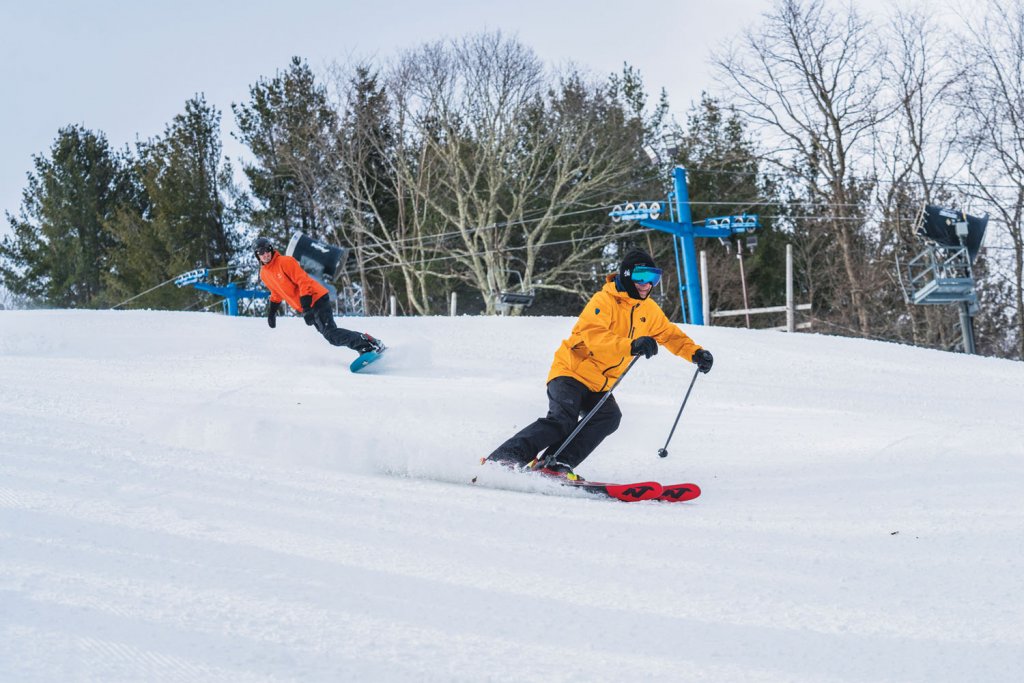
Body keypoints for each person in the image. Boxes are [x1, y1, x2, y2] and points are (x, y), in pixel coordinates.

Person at [485, 248, 713, 479]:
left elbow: (669, 334)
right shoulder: (603, 301)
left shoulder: (649, 310)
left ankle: (555, 463)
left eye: (653, 278)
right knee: (562, 420)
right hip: (571, 371)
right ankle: (504, 458)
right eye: (641, 277)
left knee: (609, 417)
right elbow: (594, 336)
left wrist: (695, 353)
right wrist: (632, 345)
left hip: (600, 384)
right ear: (626, 275)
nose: (647, 285)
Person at [254, 237, 385, 355]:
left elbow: (303, 282)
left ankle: (368, 344)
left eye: (267, 250)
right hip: (308, 306)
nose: (265, 254)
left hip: (316, 299)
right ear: (257, 255)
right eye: (261, 252)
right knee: (330, 335)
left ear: (271, 249)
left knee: (331, 334)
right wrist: (271, 313)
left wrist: (306, 308)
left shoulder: (285, 262)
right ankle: (366, 343)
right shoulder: (264, 274)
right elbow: (276, 293)